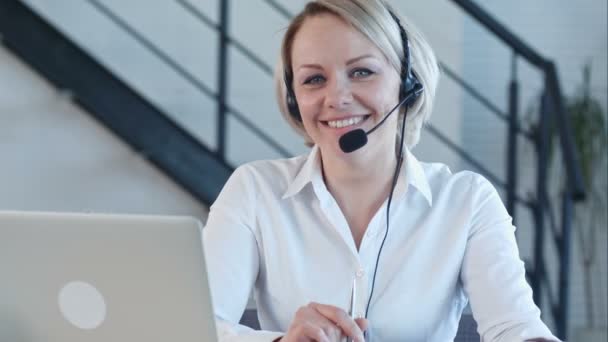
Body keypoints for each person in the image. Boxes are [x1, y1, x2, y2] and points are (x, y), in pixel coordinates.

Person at [203, 1, 560, 341]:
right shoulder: (254, 190)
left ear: (408, 84)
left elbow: (516, 328)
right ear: (294, 98)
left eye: (361, 72)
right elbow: (199, 325)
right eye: (314, 79)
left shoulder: (466, 201)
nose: (337, 97)